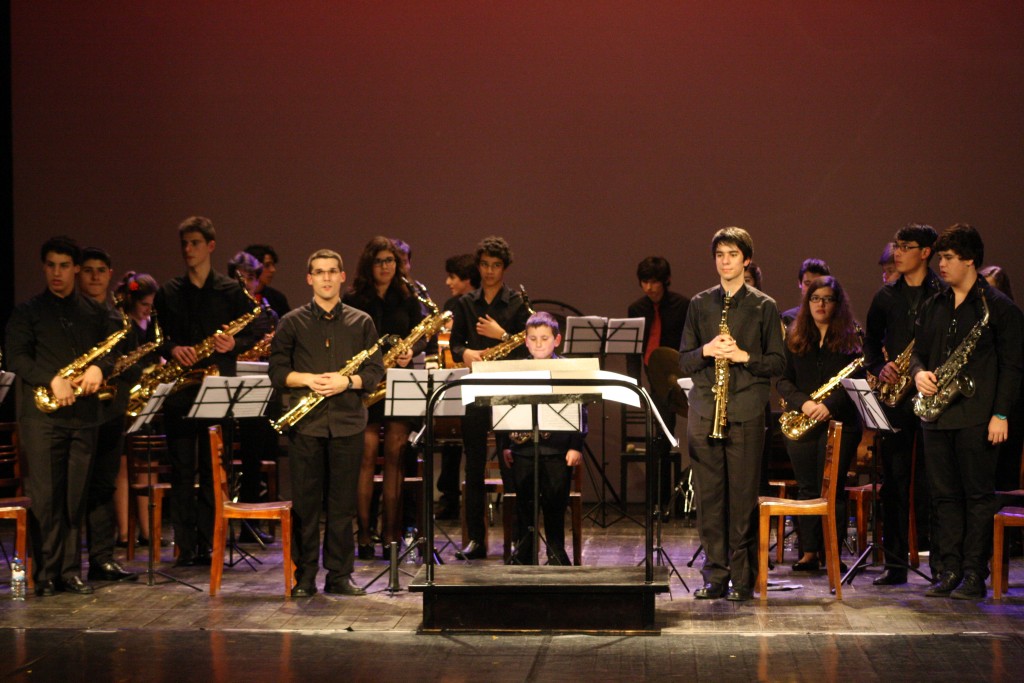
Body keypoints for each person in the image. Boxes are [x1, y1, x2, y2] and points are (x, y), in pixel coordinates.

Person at [6, 236, 124, 596]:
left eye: (63, 266)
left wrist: (98, 369)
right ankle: (45, 572)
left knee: (75, 497)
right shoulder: (28, 312)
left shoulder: (95, 312)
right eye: (50, 266)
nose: (57, 273)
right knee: (46, 497)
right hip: (42, 420)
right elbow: (15, 357)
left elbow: (112, 351)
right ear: (45, 268)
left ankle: (70, 572)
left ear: (75, 269)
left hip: (84, 418)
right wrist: (51, 378)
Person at [911, 224, 1023, 600]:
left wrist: (1001, 414)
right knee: (943, 497)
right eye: (940, 257)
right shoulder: (935, 303)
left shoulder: (1000, 309)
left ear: (970, 261)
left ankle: (975, 573)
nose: (940, 264)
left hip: (978, 416)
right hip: (937, 415)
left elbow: (1013, 367)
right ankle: (949, 569)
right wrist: (918, 373)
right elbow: (918, 353)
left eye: (948, 258)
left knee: (977, 497)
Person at [269, 248, 385, 597]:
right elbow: (277, 372)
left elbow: (375, 372)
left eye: (332, 271)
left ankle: (339, 576)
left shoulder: (362, 321)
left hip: (348, 423)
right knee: (305, 505)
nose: (326, 278)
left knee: (341, 505)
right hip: (307, 425)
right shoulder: (291, 322)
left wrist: (345, 382)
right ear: (309, 278)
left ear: (342, 276)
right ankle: (304, 578)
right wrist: (307, 378)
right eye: (319, 272)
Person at [678, 227, 786, 601]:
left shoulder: (764, 306)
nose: (725, 261)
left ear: (746, 260)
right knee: (710, 500)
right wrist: (707, 350)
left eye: (733, 255)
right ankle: (715, 578)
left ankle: (743, 580)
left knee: (742, 499)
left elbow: (777, 363)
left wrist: (742, 356)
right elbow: (684, 359)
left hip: (745, 409)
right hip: (706, 409)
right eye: (720, 255)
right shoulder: (699, 304)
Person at [154, 216, 256, 567]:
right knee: (182, 472)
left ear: (210, 246)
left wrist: (234, 342)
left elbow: (257, 330)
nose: (188, 250)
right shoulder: (168, 292)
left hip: (217, 388)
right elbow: (157, 339)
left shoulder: (230, 291)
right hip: (181, 390)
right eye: (184, 243)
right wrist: (172, 349)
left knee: (216, 471)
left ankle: (211, 542)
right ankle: (185, 546)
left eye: (195, 243)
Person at [863, 223, 943, 585]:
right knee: (893, 482)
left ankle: (942, 564)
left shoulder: (942, 293)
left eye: (906, 246)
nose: (897, 252)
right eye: (896, 245)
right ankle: (895, 564)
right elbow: (869, 345)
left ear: (925, 252)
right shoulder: (885, 297)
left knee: (937, 482)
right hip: (896, 399)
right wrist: (881, 367)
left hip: (934, 394)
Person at [449, 236, 531, 560]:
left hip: (508, 390)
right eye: (484, 265)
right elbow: (454, 345)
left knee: (511, 462)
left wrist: (503, 336)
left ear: (505, 268)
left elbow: (530, 346)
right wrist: (466, 352)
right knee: (474, 466)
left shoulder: (518, 303)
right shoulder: (465, 303)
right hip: (476, 388)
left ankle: (515, 540)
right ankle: (477, 541)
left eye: (496, 266)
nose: (489, 271)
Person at [343, 236, 425, 558]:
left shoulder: (407, 296)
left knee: (395, 458)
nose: (386, 267)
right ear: (369, 264)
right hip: (366, 382)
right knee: (365, 459)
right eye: (379, 261)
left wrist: (410, 351)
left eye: (390, 261)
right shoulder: (353, 298)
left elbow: (421, 337)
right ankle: (364, 536)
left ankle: (391, 535)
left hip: (398, 381)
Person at [777, 276, 863, 572]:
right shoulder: (795, 335)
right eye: (815, 299)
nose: (821, 304)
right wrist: (806, 404)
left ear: (837, 304)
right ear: (807, 302)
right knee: (807, 488)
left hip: (840, 422)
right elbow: (782, 379)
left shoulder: (852, 339)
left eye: (827, 299)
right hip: (802, 419)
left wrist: (829, 406)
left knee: (833, 491)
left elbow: (856, 381)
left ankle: (832, 554)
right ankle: (809, 552)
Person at [500, 312, 584, 566]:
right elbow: (503, 406)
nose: (538, 344)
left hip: (557, 450)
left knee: (555, 505)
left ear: (556, 340)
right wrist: (505, 445)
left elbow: (581, 409)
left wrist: (575, 446)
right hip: (523, 449)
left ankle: (556, 552)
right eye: (533, 338)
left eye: (544, 338)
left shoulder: (568, 369)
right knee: (525, 505)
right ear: (525, 341)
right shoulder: (515, 369)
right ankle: (524, 553)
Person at [77, 247, 138, 583]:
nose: (95, 276)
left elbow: (136, 362)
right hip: (78, 413)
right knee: (75, 489)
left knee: (103, 486)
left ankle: (102, 559)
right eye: (88, 270)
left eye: (101, 270)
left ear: (110, 273)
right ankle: (67, 563)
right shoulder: (73, 317)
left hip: (111, 413)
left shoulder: (120, 320)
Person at [626, 257, 690, 518]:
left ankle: (666, 504)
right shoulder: (636, 308)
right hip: (653, 382)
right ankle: (657, 503)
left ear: (666, 281)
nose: (650, 287)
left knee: (666, 439)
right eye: (645, 282)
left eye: (654, 282)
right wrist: (634, 384)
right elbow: (633, 352)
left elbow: (688, 345)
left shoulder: (683, 306)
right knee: (657, 441)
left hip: (678, 381)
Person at [227, 251, 280, 543]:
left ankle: (249, 523)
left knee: (252, 458)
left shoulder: (266, 312)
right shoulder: (224, 307)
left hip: (254, 388)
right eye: (240, 276)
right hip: (222, 385)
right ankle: (218, 523)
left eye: (250, 277)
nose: (245, 283)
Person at [111, 271, 162, 549]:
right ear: (133, 301)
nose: (149, 309)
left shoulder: (151, 326)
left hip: (147, 403)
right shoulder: (122, 326)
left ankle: (147, 531)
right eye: (145, 305)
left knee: (149, 463)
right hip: (124, 401)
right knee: (123, 467)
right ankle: (123, 532)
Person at [435, 253, 481, 520]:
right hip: (457, 376)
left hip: (473, 379)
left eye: (453, 277)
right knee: (452, 440)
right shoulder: (453, 304)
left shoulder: (467, 303)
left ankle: (457, 497)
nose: (448, 281)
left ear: (466, 279)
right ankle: (450, 496)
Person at [979, 265, 1023, 491]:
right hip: (981, 411)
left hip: (1006, 414)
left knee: (1004, 479)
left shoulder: (1011, 320)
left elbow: (1013, 372)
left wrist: (1000, 413)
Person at [244, 243, 291, 319]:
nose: (273, 270)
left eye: (273, 265)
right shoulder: (234, 296)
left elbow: (289, 327)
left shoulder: (277, 298)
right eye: (267, 265)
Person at [780, 258, 831, 326]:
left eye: (817, 284)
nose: (812, 289)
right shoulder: (788, 319)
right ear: (799, 283)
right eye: (807, 284)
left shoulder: (836, 319)